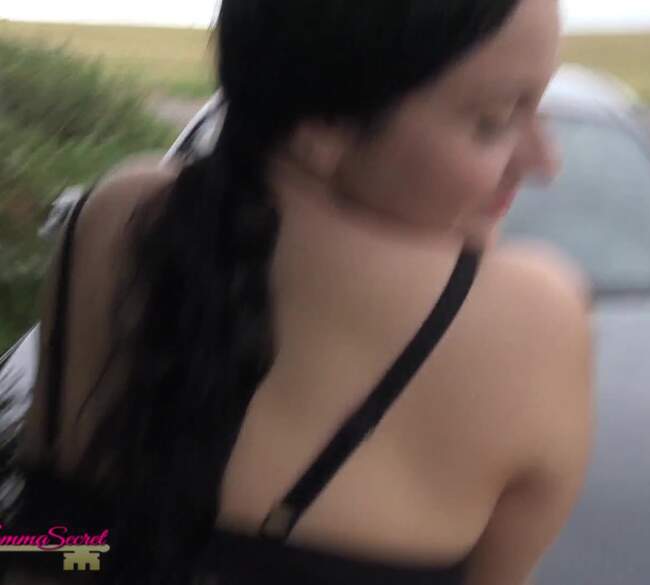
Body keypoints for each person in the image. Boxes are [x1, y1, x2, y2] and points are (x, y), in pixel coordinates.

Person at [5, 0, 592, 583]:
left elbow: (47, 547)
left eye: (538, 111)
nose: (545, 162)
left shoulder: (115, 216)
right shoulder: (528, 319)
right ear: (323, 126)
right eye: (493, 121)